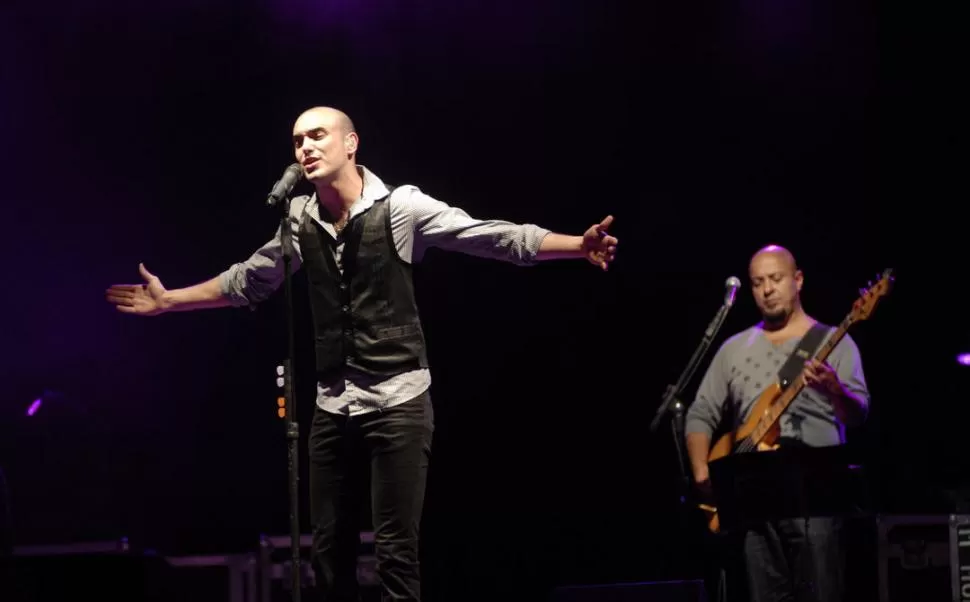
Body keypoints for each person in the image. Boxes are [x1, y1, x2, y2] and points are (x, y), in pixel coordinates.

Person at [105, 106, 618, 601]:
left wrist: (576, 244)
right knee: (327, 556)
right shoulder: (300, 218)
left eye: (318, 135)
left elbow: (487, 235)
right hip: (332, 405)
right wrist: (170, 300)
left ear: (351, 144)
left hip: (399, 400)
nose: (305, 147)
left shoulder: (401, 206)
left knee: (395, 553)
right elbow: (249, 278)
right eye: (298, 140)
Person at [684, 245, 870, 602]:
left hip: (817, 502)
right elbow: (700, 411)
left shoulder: (835, 342)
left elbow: (859, 415)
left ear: (797, 280)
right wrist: (701, 472)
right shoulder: (734, 348)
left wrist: (834, 390)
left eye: (776, 278)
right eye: (757, 283)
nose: (767, 289)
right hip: (753, 505)